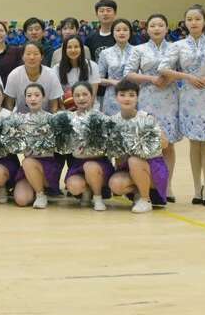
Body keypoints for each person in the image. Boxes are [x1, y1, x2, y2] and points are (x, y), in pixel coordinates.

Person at [159, 4, 205, 207]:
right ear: (184, 22)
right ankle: (196, 189)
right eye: (189, 19)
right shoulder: (177, 45)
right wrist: (187, 77)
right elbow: (163, 68)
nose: (193, 22)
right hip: (188, 97)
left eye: (197, 19)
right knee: (194, 143)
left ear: (204, 21)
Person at [124, 14, 181, 202]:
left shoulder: (175, 48)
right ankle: (147, 186)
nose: (157, 28)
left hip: (169, 98)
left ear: (166, 28)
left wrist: (168, 79)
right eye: (153, 25)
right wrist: (151, 79)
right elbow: (129, 74)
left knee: (168, 144)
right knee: (146, 143)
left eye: (160, 25)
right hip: (147, 99)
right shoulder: (138, 49)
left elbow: (182, 70)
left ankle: (168, 186)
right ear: (146, 29)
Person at [107, 79, 171, 214]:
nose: (127, 98)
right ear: (116, 97)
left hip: (152, 167)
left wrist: (141, 145)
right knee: (115, 184)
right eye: (122, 95)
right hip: (128, 168)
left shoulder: (146, 118)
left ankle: (145, 199)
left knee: (134, 160)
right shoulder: (112, 122)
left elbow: (165, 143)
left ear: (137, 97)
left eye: (131, 95)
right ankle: (138, 193)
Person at [63, 82, 112, 211]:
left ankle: (98, 197)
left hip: (99, 163)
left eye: (85, 94)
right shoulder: (68, 119)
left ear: (92, 96)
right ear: (73, 98)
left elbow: (111, 146)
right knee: (73, 186)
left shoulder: (102, 118)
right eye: (77, 95)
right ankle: (87, 191)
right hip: (78, 163)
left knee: (90, 167)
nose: (81, 98)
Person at [12, 83, 60, 208]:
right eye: (29, 96)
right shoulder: (19, 120)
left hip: (47, 164)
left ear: (43, 97)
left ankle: (40, 194)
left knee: (27, 162)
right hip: (28, 166)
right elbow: (15, 145)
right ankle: (34, 187)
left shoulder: (52, 119)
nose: (33, 98)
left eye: (37, 95)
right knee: (21, 200)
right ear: (25, 99)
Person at [97, 18, 135, 116]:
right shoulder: (105, 53)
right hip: (112, 95)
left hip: (133, 94)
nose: (121, 33)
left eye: (125, 30)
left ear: (130, 32)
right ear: (113, 33)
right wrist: (112, 82)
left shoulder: (138, 51)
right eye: (118, 30)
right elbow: (98, 79)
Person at [53, 35, 101, 109]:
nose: (73, 50)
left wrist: (87, 112)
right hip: (67, 109)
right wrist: (66, 112)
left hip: (89, 108)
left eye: (76, 47)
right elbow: (58, 97)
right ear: (64, 50)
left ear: (81, 49)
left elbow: (93, 94)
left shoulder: (92, 66)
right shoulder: (56, 68)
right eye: (69, 47)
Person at [85, 0, 118, 64]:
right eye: (101, 11)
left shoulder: (121, 35)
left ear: (115, 13)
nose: (105, 13)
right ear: (96, 14)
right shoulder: (90, 38)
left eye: (108, 10)